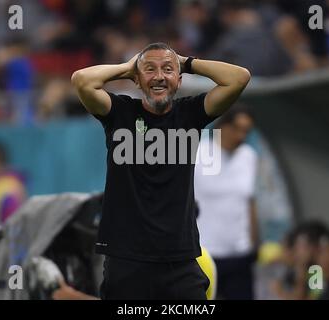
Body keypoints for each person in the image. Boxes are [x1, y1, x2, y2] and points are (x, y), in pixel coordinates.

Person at [71, 42, 250, 299]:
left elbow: (239, 78)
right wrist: (129, 67)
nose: (159, 77)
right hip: (126, 259)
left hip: (180, 260)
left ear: (178, 80)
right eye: (150, 70)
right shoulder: (119, 112)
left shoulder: (191, 114)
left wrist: (185, 62)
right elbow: (81, 80)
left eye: (167, 70)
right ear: (137, 80)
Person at [194, 106, 259, 299]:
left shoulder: (249, 156)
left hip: (240, 254)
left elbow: (249, 202)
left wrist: (255, 244)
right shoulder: (198, 153)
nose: (241, 136)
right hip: (204, 254)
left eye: (246, 131)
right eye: (237, 129)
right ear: (222, 126)